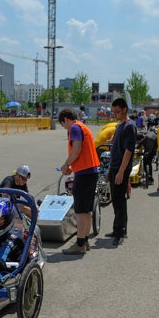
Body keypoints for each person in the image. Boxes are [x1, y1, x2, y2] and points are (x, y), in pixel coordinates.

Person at [58, 108, 100, 254]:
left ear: (66, 120)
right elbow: (80, 153)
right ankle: (85, 240)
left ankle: (80, 244)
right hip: (90, 171)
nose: (65, 128)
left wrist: (66, 165)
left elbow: (76, 149)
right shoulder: (82, 126)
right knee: (87, 211)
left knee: (80, 211)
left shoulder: (75, 128)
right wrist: (73, 166)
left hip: (85, 174)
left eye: (64, 125)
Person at [106, 98, 137, 244]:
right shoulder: (120, 126)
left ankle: (120, 232)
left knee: (119, 200)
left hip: (121, 169)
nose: (115, 114)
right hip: (114, 167)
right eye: (113, 112)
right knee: (115, 199)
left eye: (117, 112)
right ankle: (118, 228)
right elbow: (115, 150)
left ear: (125, 109)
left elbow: (128, 151)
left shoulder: (129, 126)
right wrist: (110, 170)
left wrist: (121, 172)